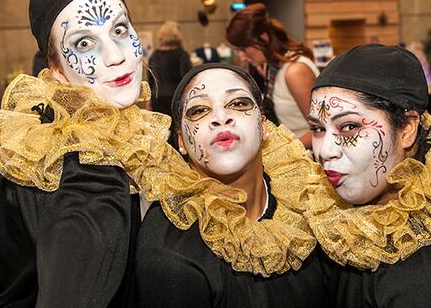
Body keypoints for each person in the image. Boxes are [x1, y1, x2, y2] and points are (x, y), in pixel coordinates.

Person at [0, 0, 169, 307]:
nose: (116, 56)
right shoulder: (82, 163)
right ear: (56, 71)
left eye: (120, 30)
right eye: (84, 43)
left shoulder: (120, 133)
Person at [304, 44, 431, 307]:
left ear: (408, 128)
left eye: (349, 127)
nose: (325, 151)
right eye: (317, 129)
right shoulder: (345, 210)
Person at [135, 63, 336, 307]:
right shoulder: (168, 251)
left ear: (263, 127)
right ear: (181, 142)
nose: (221, 118)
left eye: (238, 104)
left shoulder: (313, 206)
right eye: (199, 110)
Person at [226, 3, 318, 148]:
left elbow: (322, 129)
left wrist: (282, 152)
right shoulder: (271, 67)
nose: (242, 56)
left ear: (263, 38)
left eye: (244, 49)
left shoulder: (295, 72)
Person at [148, 21, 191, 114]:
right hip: (176, 99)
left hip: (157, 98)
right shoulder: (181, 55)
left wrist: (149, 100)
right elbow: (188, 79)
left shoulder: (154, 55)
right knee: (177, 128)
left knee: (161, 128)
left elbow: (150, 80)